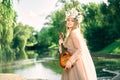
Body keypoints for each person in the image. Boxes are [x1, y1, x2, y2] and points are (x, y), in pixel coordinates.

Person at [59, 8, 97, 80]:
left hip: (76, 64)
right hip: (72, 62)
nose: (69, 22)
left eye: (72, 21)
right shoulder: (71, 32)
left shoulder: (74, 33)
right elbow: (67, 51)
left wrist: (70, 61)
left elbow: (80, 49)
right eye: (68, 20)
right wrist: (62, 43)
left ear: (76, 22)